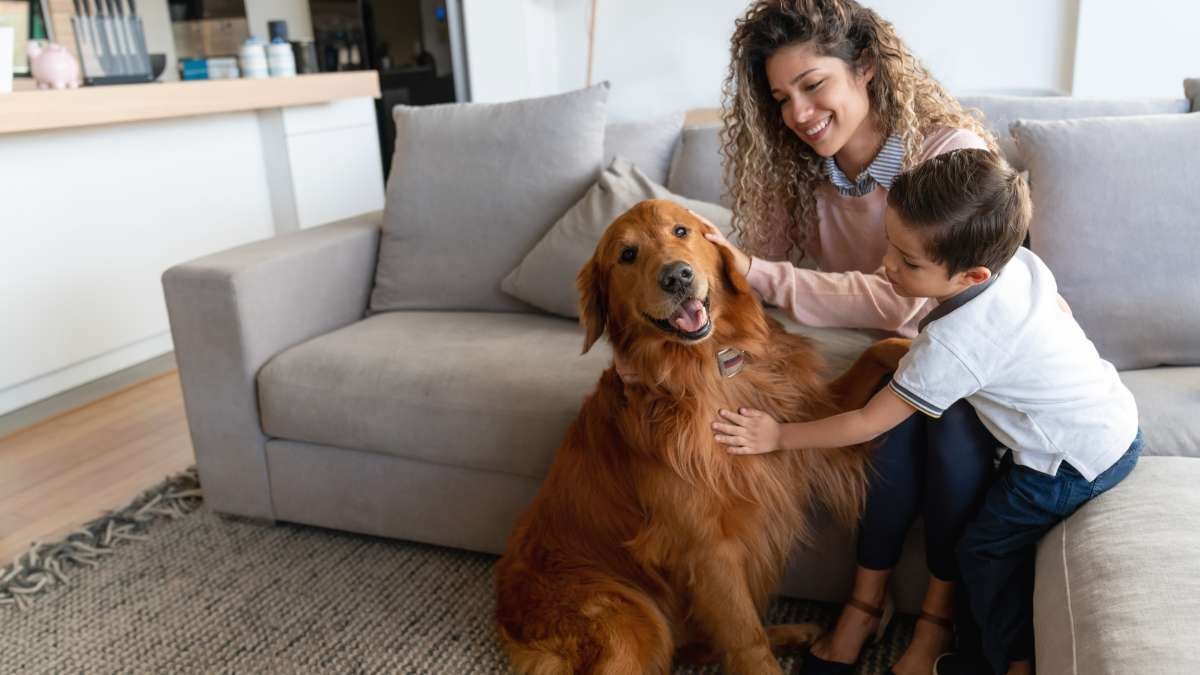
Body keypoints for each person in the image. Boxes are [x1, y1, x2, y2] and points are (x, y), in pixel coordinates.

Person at [654, 2, 1001, 673]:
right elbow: (750, 288)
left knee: (950, 432)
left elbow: (903, 298)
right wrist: (696, 345)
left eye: (813, 85)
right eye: (782, 98)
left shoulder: (948, 154)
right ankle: (864, 604)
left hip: (970, 353)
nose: (799, 113)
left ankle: (934, 621)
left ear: (865, 67)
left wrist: (757, 271)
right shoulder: (801, 172)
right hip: (896, 356)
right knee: (886, 426)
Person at [712, 148, 1142, 675]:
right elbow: (1059, 309)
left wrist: (778, 435)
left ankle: (1012, 663)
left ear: (972, 275)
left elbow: (867, 421)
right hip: (1114, 417)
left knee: (985, 550)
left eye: (909, 262)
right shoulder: (1021, 265)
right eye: (890, 244)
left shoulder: (953, 345)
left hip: (1070, 461)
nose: (887, 266)